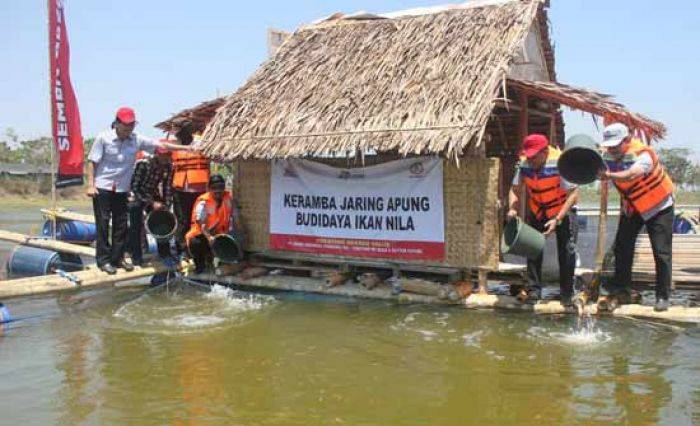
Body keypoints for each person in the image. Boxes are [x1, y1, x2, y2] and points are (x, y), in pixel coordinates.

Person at [87, 107, 192, 274]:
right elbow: (92, 161)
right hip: (103, 187)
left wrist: (187, 148)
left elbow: (160, 145)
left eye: (132, 126)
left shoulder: (136, 140)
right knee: (103, 223)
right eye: (126, 126)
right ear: (117, 123)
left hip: (122, 189)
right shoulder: (103, 138)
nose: (129, 129)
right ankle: (104, 260)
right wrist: (91, 184)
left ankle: (118, 258)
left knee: (121, 225)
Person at [599, 123, 674, 312]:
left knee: (661, 252)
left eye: (616, 145)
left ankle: (662, 296)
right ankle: (622, 288)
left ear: (627, 140)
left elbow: (631, 175)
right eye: (609, 146)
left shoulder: (644, 155)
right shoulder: (607, 154)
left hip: (659, 206)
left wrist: (608, 175)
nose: (612, 149)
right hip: (633, 207)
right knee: (622, 247)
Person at [507, 134, 580, 305]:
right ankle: (534, 290)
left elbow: (573, 194)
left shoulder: (560, 163)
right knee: (533, 248)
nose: (530, 159)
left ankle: (567, 293)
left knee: (566, 251)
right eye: (529, 156)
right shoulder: (524, 164)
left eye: (534, 156)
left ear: (545, 152)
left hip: (563, 210)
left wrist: (557, 219)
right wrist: (512, 208)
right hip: (539, 211)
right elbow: (515, 189)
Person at [128, 147, 175, 266]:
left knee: (162, 220)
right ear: (156, 154)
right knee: (136, 224)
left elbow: (167, 188)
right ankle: (136, 256)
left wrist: (166, 205)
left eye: (168, 155)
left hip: (152, 192)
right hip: (136, 194)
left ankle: (165, 253)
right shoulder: (143, 164)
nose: (165, 158)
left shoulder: (169, 166)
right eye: (163, 155)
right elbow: (134, 186)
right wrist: (152, 203)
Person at [170, 121, 211, 256]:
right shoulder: (174, 144)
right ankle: (182, 250)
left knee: (199, 219)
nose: (178, 136)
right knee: (182, 221)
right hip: (180, 188)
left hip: (199, 188)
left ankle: (200, 249)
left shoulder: (200, 143)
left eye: (180, 133)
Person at [185, 174, 239, 273]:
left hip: (220, 235)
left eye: (220, 187)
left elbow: (235, 217)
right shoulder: (203, 202)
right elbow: (201, 223)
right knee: (195, 242)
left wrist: (239, 233)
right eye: (214, 188)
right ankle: (200, 267)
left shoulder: (228, 198)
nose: (218, 191)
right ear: (209, 189)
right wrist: (209, 237)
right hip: (203, 235)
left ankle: (218, 262)